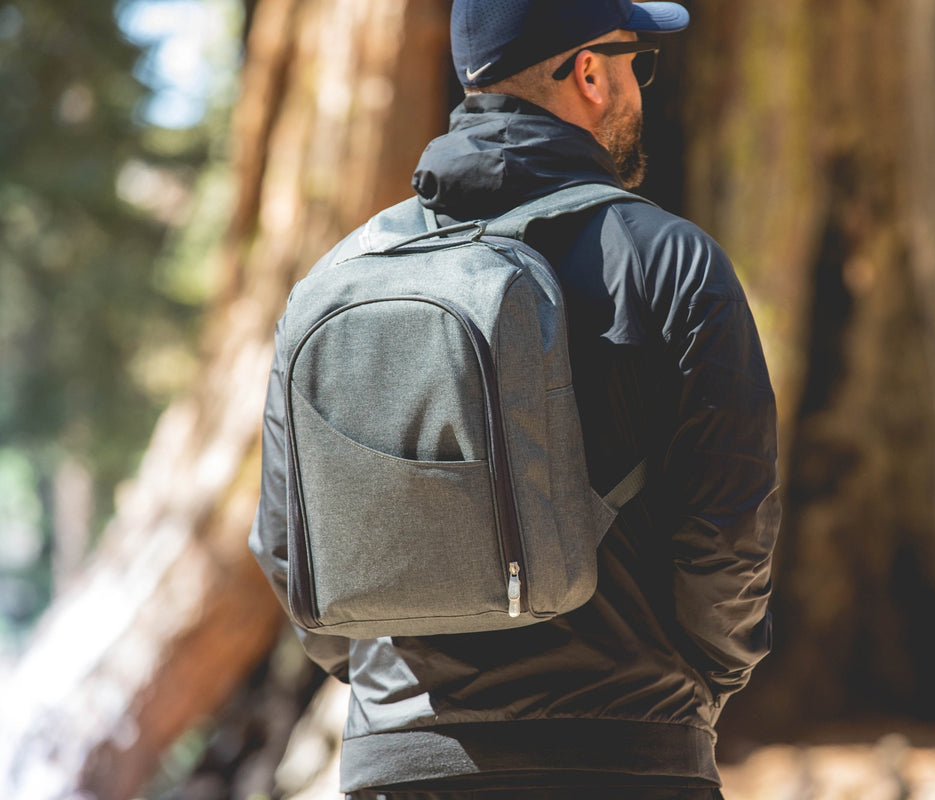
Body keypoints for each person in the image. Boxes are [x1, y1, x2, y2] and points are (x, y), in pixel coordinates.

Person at [250, 1, 780, 798]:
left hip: (399, 768)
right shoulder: (672, 264)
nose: (640, 84)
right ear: (589, 72)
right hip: (625, 755)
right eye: (636, 59)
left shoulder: (336, 280)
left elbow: (288, 551)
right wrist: (696, 686)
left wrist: (391, 684)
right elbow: (729, 534)